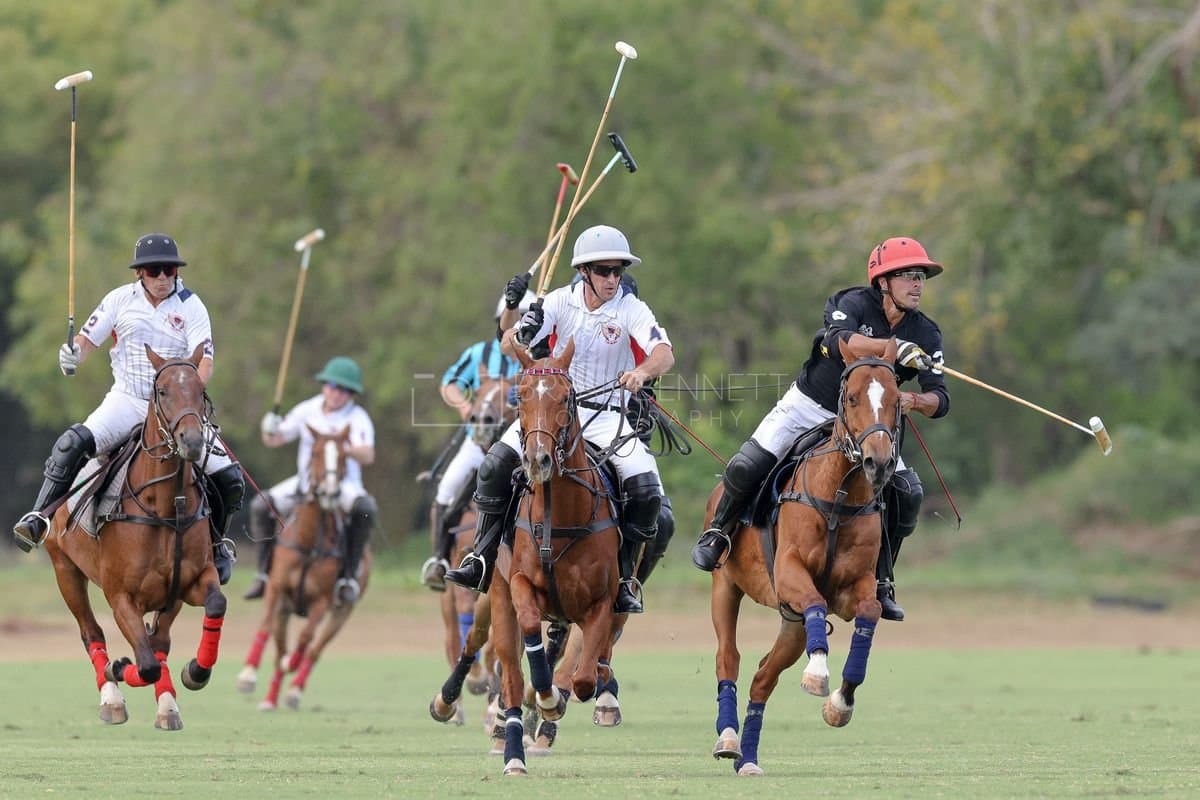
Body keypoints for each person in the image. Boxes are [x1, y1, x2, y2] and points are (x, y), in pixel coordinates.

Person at [689, 236, 951, 622]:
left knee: (907, 492)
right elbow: (834, 340)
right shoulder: (852, 303)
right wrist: (891, 347)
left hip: (866, 423)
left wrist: (912, 400)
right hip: (809, 406)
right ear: (883, 282)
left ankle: (882, 579)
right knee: (747, 464)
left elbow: (940, 399)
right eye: (908, 276)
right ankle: (719, 534)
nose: (917, 284)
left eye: (921, 277)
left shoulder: (926, 333)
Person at [445, 224, 675, 614]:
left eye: (618, 270)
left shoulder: (631, 308)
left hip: (609, 418)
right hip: (553, 413)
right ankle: (481, 558)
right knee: (494, 466)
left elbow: (664, 353)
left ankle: (623, 580)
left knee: (648, 493)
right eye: (603, 271)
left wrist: (642, 371)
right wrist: (515, 311)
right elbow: (509, 344)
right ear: (584, 271)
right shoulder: (557, 302)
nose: (612, 279)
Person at [12, 233, 244, 584]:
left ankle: (217, 544)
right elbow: (87, 340)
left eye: (169, 270)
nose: (163, 277)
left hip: (175, 408)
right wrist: (73, 355)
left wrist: (191, 392)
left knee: (230, 477)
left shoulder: (191, 305)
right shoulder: (119, 299)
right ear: (140, 273)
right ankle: (39, 518)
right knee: (71, 443)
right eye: (154, 270)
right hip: (127, 399)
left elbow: (205, 361)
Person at [243, 357, 377, 606]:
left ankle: (348, 577)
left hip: (343, 485)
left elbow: (368, 455)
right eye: (333, 386)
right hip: (305, 484)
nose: (337, 393)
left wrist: (342, 449)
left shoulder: (357, 417)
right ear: (324, 385)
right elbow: (274, 440)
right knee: (261, 506)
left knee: (366, 509)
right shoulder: (308, 409)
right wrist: (268, 429)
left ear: (351, 394)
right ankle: (263, 573)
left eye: (345, 389)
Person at [419, 314, 522, 591]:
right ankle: (439, 559)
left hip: (521, 442)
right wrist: (465, 408)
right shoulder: (480, 353)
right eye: (512, 319)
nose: (517, 324)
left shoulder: (540, 353)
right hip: (479, 441)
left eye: (524, 319)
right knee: (447, 488)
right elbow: (449, 384)